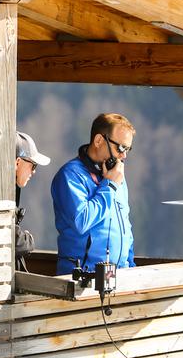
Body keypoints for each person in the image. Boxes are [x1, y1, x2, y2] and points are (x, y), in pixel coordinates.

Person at [51, 113, 135, 275]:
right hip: (82, 276)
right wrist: (109, 186)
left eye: (128, 149)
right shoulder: (71, 176)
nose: (124, 156)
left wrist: (130, 265)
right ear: (98, 141)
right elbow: (81, 221)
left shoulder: (116, 176)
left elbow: (125, 226)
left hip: (119, 275)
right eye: (121, 148)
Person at [15, 131, 51, 271]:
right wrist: (29, 240)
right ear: (18, 162)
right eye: (33, 165)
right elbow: (16, 241)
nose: (34, 171)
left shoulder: (12, 187)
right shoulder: (3, 191)